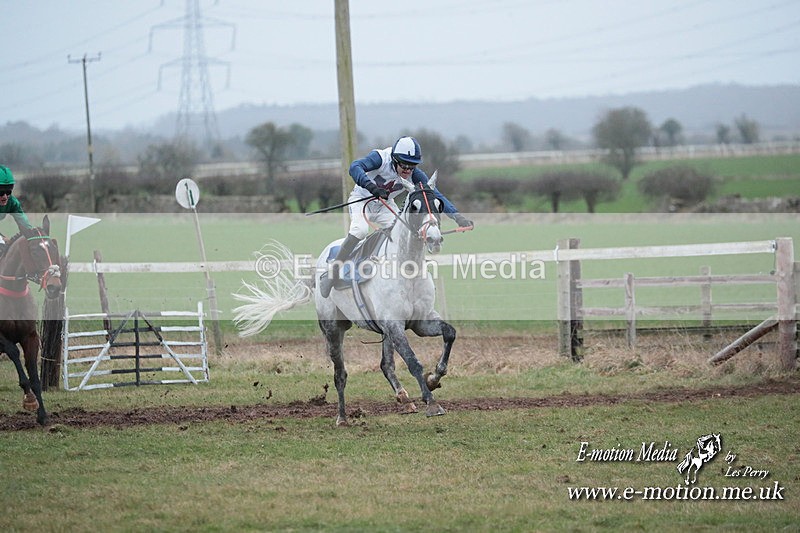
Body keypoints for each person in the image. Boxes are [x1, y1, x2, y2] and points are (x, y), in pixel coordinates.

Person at [319, 136, 473, 298]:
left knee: (401, 232)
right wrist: (371, 187)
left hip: (385, 205)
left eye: (412, 166)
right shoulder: (380, 158)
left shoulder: (416, 175)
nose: (407, 170)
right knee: (360, 231)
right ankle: (332, 273)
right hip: (362, 200)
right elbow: (354, 167)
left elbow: (436, 195)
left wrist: (457, 217)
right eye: (404, 165)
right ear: (394, 159)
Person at [0, 165, 34, 256]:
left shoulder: (12, 202)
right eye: (1, 192)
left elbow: (24, 224)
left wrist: (33, 236)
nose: (5, 197)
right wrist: (2, 238)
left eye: (8, 192)